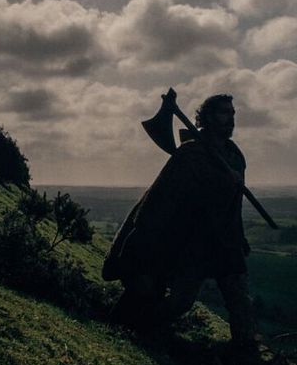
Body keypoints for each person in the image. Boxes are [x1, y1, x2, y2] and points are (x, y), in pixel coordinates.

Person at [103, 94, 258, 351]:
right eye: (224, 113)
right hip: (194, 243)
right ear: (207, 117)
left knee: (240, 300)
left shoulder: (234, 157)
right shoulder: (191, 155)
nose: (231, 119)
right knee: (181, 302)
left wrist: (239, 238)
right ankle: (139, 329)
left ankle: (248, 360)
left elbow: (233, 206)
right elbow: (164, 200)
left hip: (225, 241)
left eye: (233, 113)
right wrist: (144, 242)